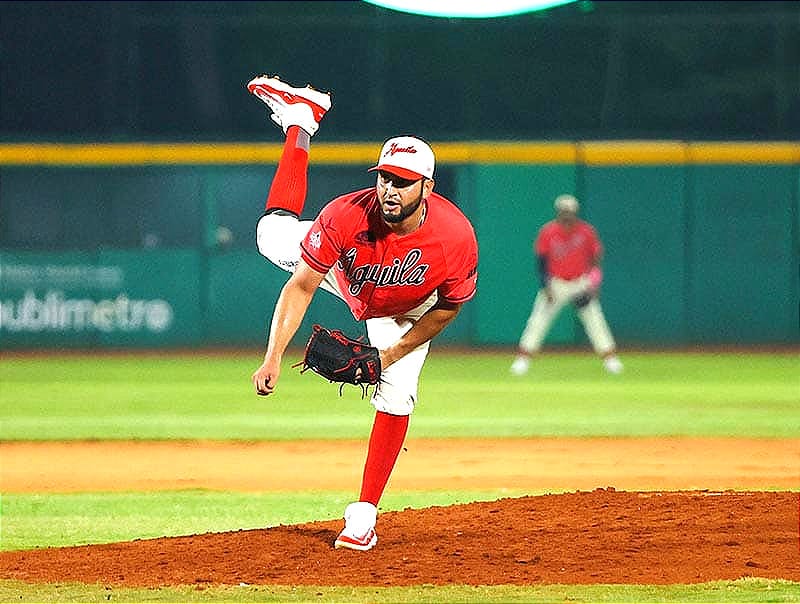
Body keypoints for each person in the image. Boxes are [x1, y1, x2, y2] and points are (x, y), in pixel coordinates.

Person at [247, 75, 479, 551]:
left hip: (408, 310)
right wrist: (272, 356)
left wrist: (387, 356)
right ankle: (300, 122)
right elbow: (303, 284)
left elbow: (447, 308)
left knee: (395, 395)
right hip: (347, 276)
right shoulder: (346, 213)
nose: (390, 188)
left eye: (403, 181)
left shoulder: (455, 239)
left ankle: (363, 516)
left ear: (427, 188)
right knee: (269, 235)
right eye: (384, 176)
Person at [510, 194, 623, 376]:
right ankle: (523, 359)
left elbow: (596, 258)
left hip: (580, 282)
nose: (567, 215)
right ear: (558, 212)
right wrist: (545, 285)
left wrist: (594, 283)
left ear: (575, 212)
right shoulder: (548, 231)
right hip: (556, 283)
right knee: (538, 321)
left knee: (595, 320)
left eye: (570, 212)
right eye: (564, 211)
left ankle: (610, 359)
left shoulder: (586, 231)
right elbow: (541, 261)